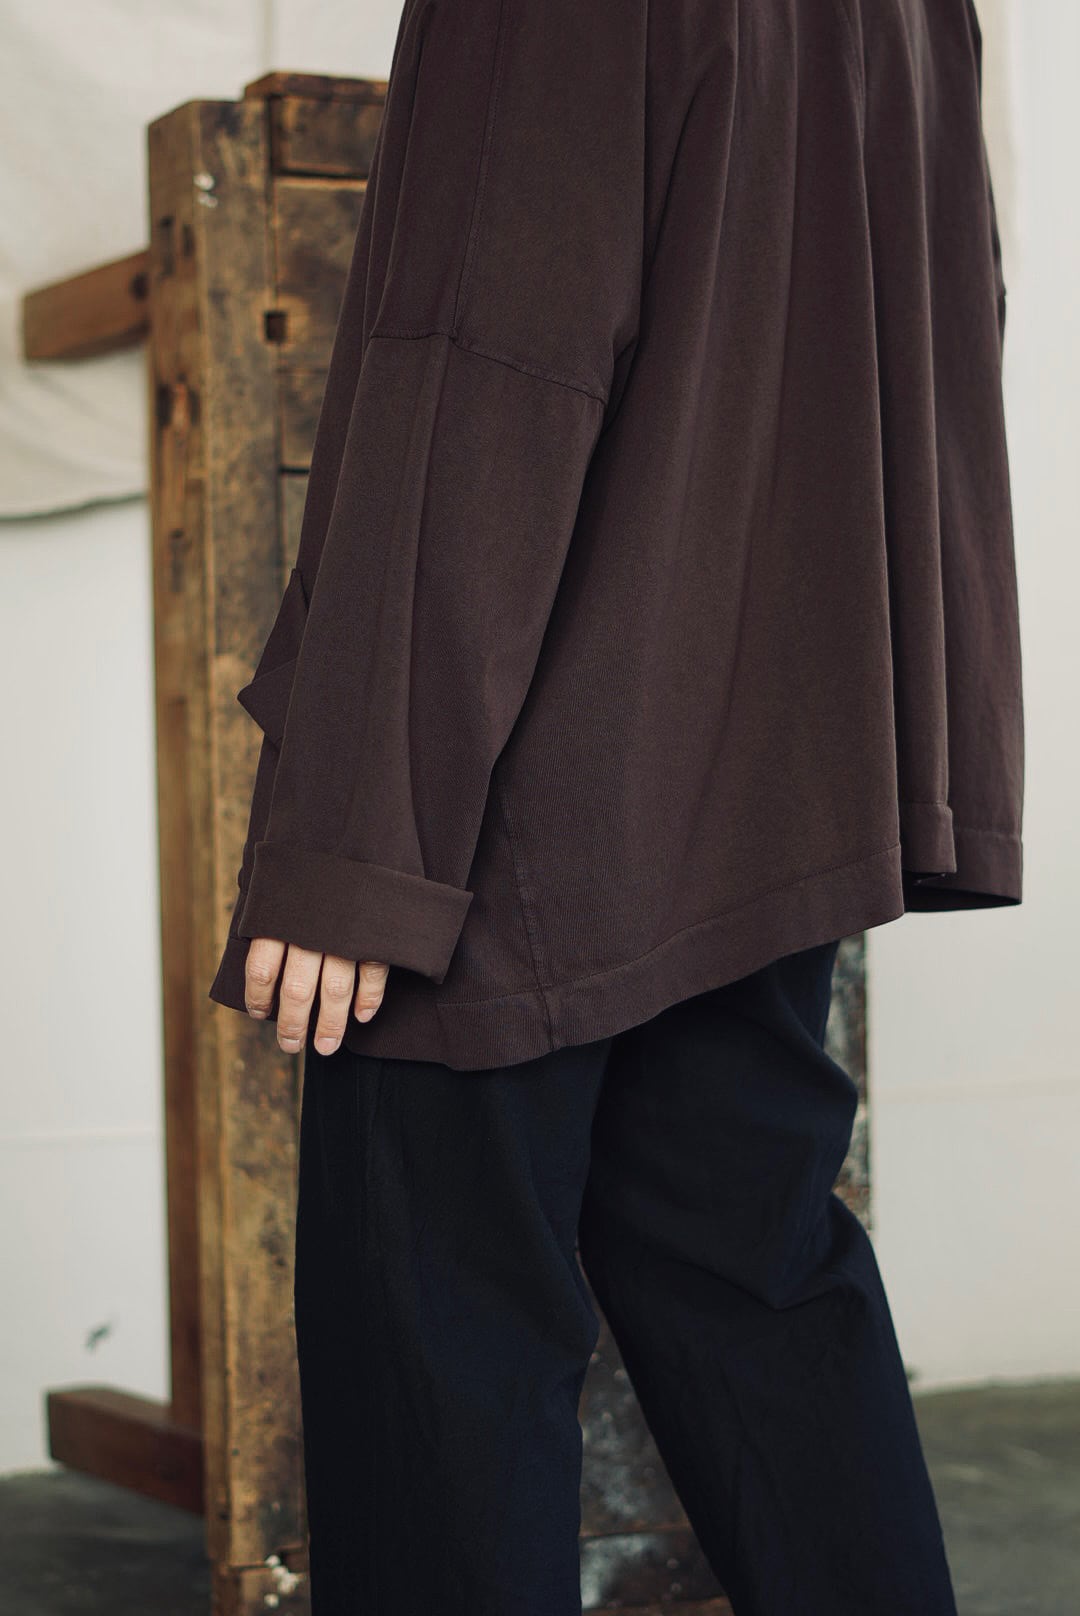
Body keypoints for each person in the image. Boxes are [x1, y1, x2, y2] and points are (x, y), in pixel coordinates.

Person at [208, 0, 1023, 1610]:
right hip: (772, 761)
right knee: (752, 1279)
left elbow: (480, 372)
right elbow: (950, 313)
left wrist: (362, 833)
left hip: (522, 792)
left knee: (440, 1345)